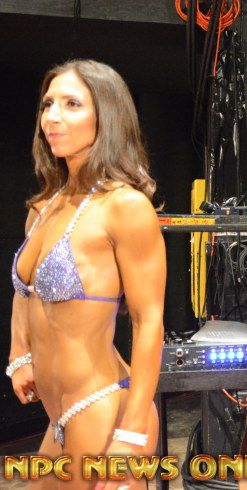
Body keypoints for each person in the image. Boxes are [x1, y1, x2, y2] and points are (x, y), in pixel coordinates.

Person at [7, 60, 165, 490]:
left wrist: (132, 434)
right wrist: (19, 354)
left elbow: (148, 320)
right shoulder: (44, 208)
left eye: (71, 104)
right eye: (48, 104)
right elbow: (25, 292)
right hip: (58, 415)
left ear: (106, 116)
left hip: (105, 409)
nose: (52, 117)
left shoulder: (125, 208)